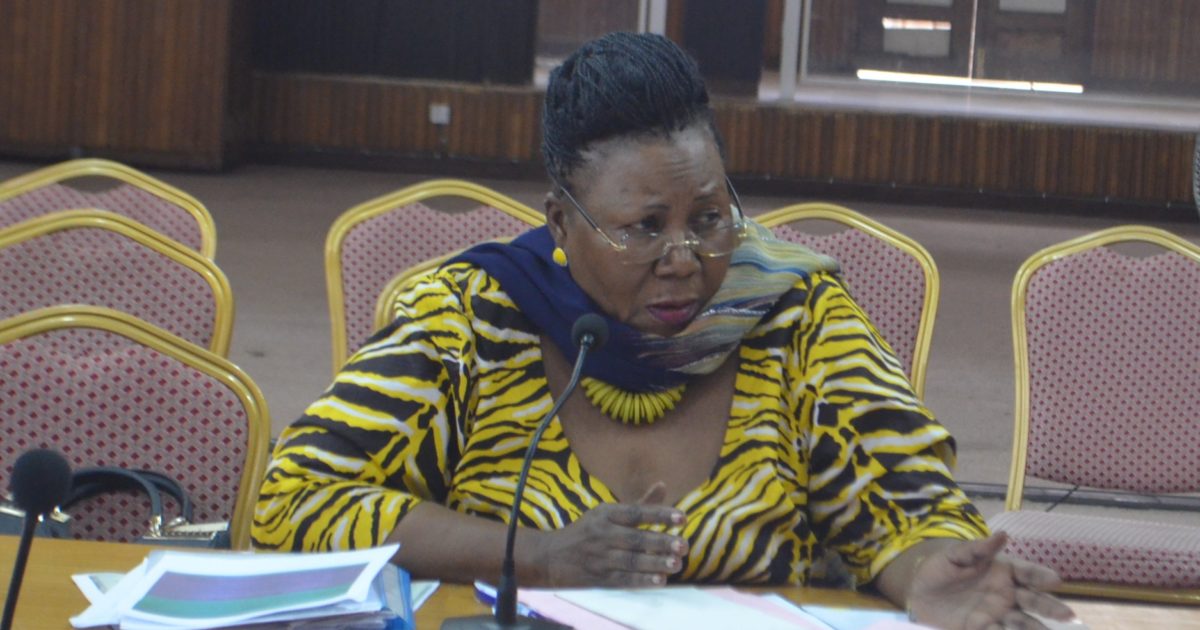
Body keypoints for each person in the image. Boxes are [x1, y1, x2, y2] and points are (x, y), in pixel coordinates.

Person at [254, 32, 1074, 629]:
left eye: (710, 218)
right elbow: (295, 501)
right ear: (561, 223)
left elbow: (905, 511)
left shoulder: (794, 316)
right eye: (644, 228)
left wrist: (923, 573)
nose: (685, 260)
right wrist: (538, 554)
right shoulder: (473, 317)